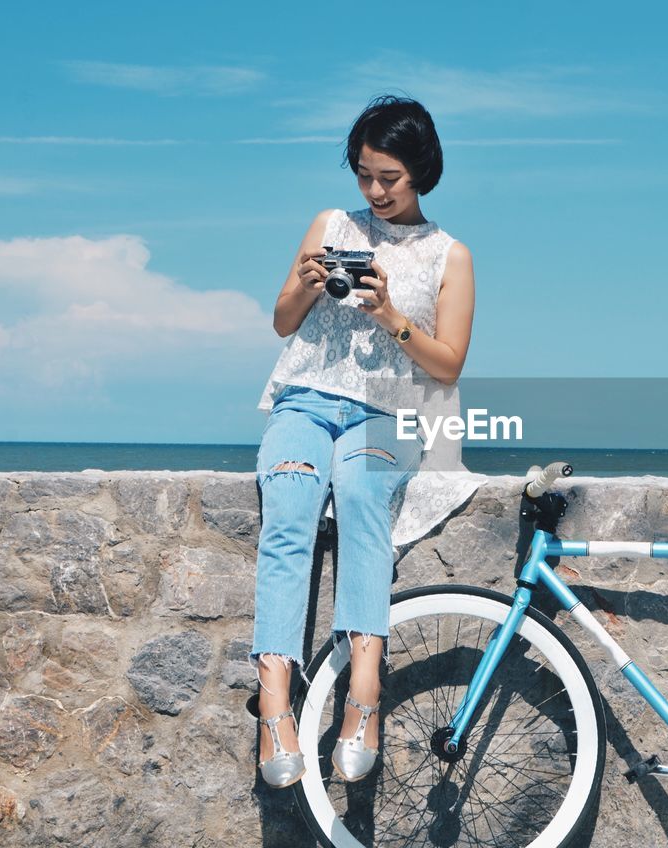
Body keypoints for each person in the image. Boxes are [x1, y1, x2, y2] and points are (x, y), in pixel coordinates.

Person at [247, 95, 478, 788]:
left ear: (421, 172)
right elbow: (283, 324)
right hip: (305, 400)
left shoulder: (449, 255)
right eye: (364, 175)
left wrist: (390, 315)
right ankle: (276, 702)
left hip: (387, 412)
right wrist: (310, 284)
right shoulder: (330, 224)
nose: (374, 192)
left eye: (390, 178)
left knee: (359, 495)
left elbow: (447, 363)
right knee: (288, 505)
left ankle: (364, 692)